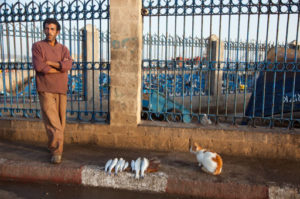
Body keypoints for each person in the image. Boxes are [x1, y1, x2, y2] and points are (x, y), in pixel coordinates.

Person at [32, 18, 72, 164]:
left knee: (60, 121)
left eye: (52, 29)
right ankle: (57, 151)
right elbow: (40, 67)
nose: (49, 31)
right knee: (52, 120)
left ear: (57, 32)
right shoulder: (37, 46)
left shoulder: (63, 49)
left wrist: (51, 63)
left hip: (61, 88)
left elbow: (68, 65)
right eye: (47, 28)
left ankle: (53, 145)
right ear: (44, 30)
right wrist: (60, 69)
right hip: (45, 88)